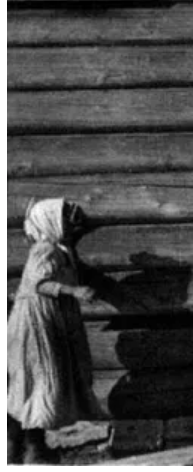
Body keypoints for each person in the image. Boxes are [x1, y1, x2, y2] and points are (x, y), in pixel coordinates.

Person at [7, 198, 102, 464]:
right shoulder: (45, 249)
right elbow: (39, 283)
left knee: (35, 384)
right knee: (37, 382)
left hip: (47, 321)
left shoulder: (60, 251)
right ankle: (28, 450)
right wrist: (74, 291)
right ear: (52, 223)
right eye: (65, 223)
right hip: (35, 324)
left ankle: (23, 447)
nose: (72, 229)